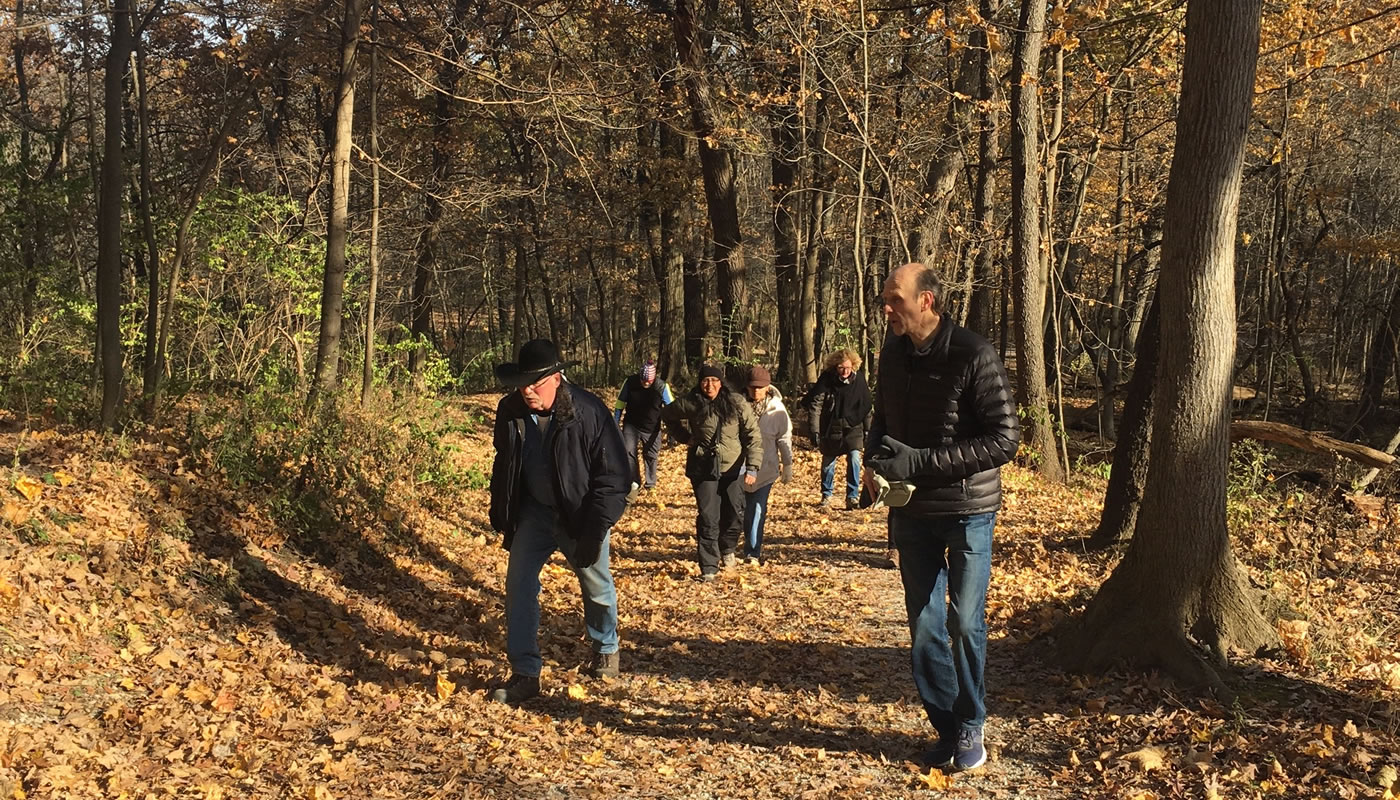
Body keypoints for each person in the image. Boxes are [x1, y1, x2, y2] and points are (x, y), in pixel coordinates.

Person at [863, 263, 1020, 771]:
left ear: (926, 301)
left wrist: (924, 463)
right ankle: (949, 729)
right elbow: (882, 421)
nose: (886, 309)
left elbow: (1005, 439)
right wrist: (873, 464)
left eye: (894, 299)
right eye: (885, 299)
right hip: (911, 512)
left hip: (969, 510)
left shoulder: (974, 353)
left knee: (964, 623)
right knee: (925, 627)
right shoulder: (891, 355)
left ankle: (973, 723)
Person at [487, 339, 631, 704]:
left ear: (557, 377)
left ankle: (605, 647)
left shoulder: (588, 412)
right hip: (533, 512)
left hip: (580, 512)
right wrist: (501, 510)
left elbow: (614, 478)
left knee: (595, 581)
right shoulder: (511, 410)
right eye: (522, 383)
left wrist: (594, 529)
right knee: (518, 585)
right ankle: (525, 672)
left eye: (536, 383)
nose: (528, 391)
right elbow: (505, 462)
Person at [661, 365, 763, 581]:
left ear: (721, 382)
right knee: (708, 517)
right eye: (705, 381)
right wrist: (684, 436)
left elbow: (752, 434)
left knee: (734, 514)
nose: (710, 385)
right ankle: (709, 567)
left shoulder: (736, 402)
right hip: (704, 467)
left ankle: (727, 549)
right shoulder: (692, 401)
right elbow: (667, 415)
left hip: (733, 468)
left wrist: (752, 467)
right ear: (699, 383)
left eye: (714, 381)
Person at [803, 349, 872, 511]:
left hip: (854, 427)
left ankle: (852, 496)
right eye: (841, 367)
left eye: (848, 367)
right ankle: (826, 496)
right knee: (828, 462)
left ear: (853, 366)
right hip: (831, 427)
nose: (845, 371)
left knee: (855, 459)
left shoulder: (859, 380)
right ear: (835, 367)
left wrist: (869, 431)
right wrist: (815, 431)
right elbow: (816, 405)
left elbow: (866, 407)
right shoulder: (827, 380)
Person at [740, 366, 793, 565]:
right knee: (739, 510)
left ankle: (752, 552)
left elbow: (785, 438)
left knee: (757, 510)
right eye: (752, 387)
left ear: (768, 387)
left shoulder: (777, 409)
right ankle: (727, 548)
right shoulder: (738, 405)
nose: (756, 391)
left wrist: (787, 464)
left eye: (760, 387)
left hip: (766, 468)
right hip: (738, 468)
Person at [614, 358, 674, 498]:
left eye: (649, 381)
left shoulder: (661, 387)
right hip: (631, 425)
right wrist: (615, 423)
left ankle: (650, 484)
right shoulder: (630, 382)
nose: (646, 383)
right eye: (643, 380)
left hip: (652, 428)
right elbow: (619, 404)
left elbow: (672, 409)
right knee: (629, 453)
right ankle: (634, 482)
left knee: (651, 456)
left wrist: (672, 430)